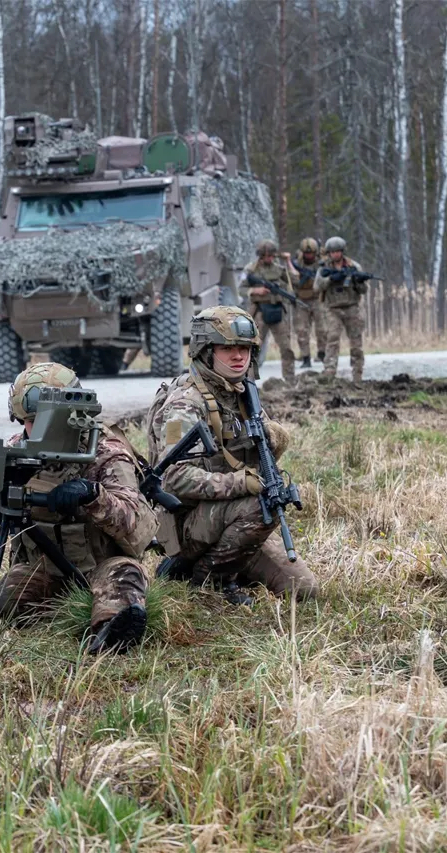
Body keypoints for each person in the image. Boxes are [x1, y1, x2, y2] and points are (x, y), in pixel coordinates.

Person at [0, 363, 156, 653]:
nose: (41, 430)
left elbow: (139, 527)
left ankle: (108, 634)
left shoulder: (105, 453)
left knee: (124, 583)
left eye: (51, 421)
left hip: (101, 565)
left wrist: (93, 496)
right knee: (2, 602)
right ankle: (63, 611)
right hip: (42, 570)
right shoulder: (17, 450)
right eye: (32, 421)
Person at [145, 306, 318, 605]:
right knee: (257, 504)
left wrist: (275, 438)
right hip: (188, 521)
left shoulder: (239, 395)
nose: (239, 357)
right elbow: (175, 480)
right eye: (228, 349)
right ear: (205, 351)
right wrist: (242, 483)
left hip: (233, 518)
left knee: (303, 589)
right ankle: (209, 579)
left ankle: (226, 563)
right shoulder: (187, 404)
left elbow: (258, 454)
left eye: (244, 348)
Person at [244, 238, 299, 383]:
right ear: (261, 256)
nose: (270, 259)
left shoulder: (279, 269)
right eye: (267, 256)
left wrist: (288, 262)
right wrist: (256, 290)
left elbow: (295, 280)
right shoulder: (251, 270)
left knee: (286, 348)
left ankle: (290, 380)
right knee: (254, 349)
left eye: (272, 256)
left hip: (277, 312)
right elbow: (241, 288)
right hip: (260, 312)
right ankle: (249, 382)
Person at [314, 236, 366, 383]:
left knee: (356, 341)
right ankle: (329, 372)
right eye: (333, 252)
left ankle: (357, 373)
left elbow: (363, 290)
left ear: (342, 252)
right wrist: (331, 279)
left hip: (351, 308)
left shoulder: (353, 266)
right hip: (332, 309)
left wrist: (359, 282)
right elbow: (317, 287)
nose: (336, 255)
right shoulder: (324, 268)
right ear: (329, 253)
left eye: (338, 252)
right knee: (332, 340)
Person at [291, 237, 326, 368]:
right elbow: (291, 280)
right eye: (306, 253)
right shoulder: (297, 263)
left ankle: (322, 353)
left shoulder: (321, 263)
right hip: (301, 299)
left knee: (322, 329)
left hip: (317, 299)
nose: (308, 256)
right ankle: (306, 357)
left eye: (311, 253)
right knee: (301, 330)